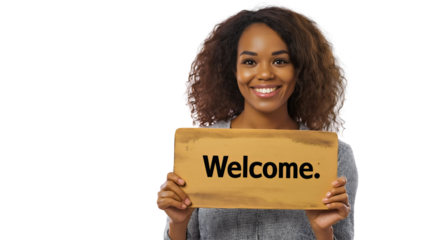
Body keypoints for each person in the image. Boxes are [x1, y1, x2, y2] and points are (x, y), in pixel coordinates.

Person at [157, 2, 356, 240]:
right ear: (234, 70)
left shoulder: (334, 156)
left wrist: (323, 232)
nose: (264, 74)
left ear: (298, 68)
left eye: (280, 61)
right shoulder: (200, 149)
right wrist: (177, 224)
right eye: (250, 62)